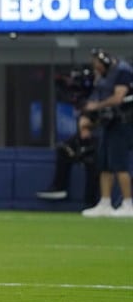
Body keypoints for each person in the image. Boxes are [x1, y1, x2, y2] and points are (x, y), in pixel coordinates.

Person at [81, 48, 133, 217]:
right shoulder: (103, 77)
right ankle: (105, 202)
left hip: (122, 123)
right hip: (108, 123)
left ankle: (128, 203)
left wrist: (96, 106)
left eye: (97, 64)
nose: (96, 68)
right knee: (104, 164)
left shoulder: (123, 72)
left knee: (119, 164)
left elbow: (118, 98)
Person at [36, 114, 99, 207]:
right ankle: (59, 187)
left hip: (94, 154)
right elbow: (63, 146)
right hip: (81, 152)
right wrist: (75, 154)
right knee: (62, 150)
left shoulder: (99, 136)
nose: (82, 122)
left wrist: (85, 151)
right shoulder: (76, 138)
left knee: (92, 163)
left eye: (85, 119)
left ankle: (91, 202)